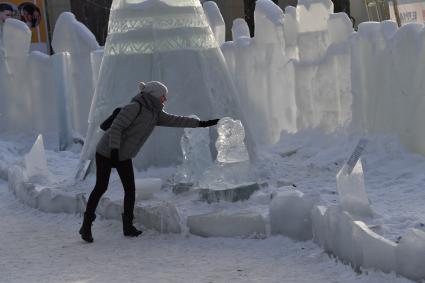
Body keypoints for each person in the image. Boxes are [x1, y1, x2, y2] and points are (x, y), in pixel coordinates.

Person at [79, 81, 220, 243]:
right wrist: (114, 151)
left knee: (130, 190)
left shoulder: (155, 113)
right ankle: (86, 226)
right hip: (106, 152)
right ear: (153, 95)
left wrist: (201, 124)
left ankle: (128, 227)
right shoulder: (134, 107)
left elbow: (176, 120)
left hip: (123, 155)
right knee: (101, 187)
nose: (165, 99)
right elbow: (117, 128)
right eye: (163, 96)